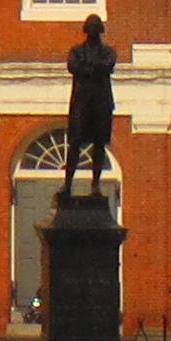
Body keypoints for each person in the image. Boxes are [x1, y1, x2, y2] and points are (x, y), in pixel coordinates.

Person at [57, 14, 118, 201]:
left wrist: (87, 67)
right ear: (86, 30)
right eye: (90, 28)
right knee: (74, 144)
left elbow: (107, 65)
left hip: (101, 103)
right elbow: (73, 66)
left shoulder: (108, 51)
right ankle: (67, 184)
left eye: (95, 28)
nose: (92, 31)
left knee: (99, 145)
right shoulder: (76, 51)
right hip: (82, 103)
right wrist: (94, 68)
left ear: (100, 30)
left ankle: (95, 185)